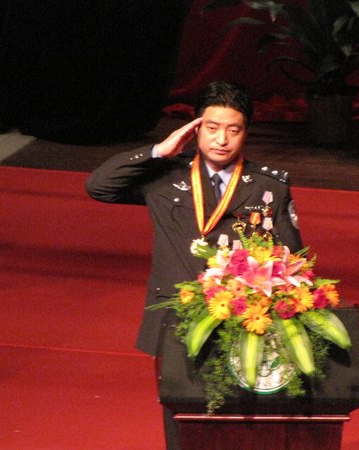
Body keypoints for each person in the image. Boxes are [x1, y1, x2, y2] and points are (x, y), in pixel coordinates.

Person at [85, 80, 303, 448]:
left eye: (233, 130)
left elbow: (292, 258)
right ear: (195, 128)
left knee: (241, 421)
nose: (222, 139)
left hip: (242, 321)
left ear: (246, 133)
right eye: (212, 127)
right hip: (175, 318)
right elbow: (99, 186)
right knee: (180, 418)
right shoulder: (164, 175)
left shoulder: (269, 186)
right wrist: (158, 150)